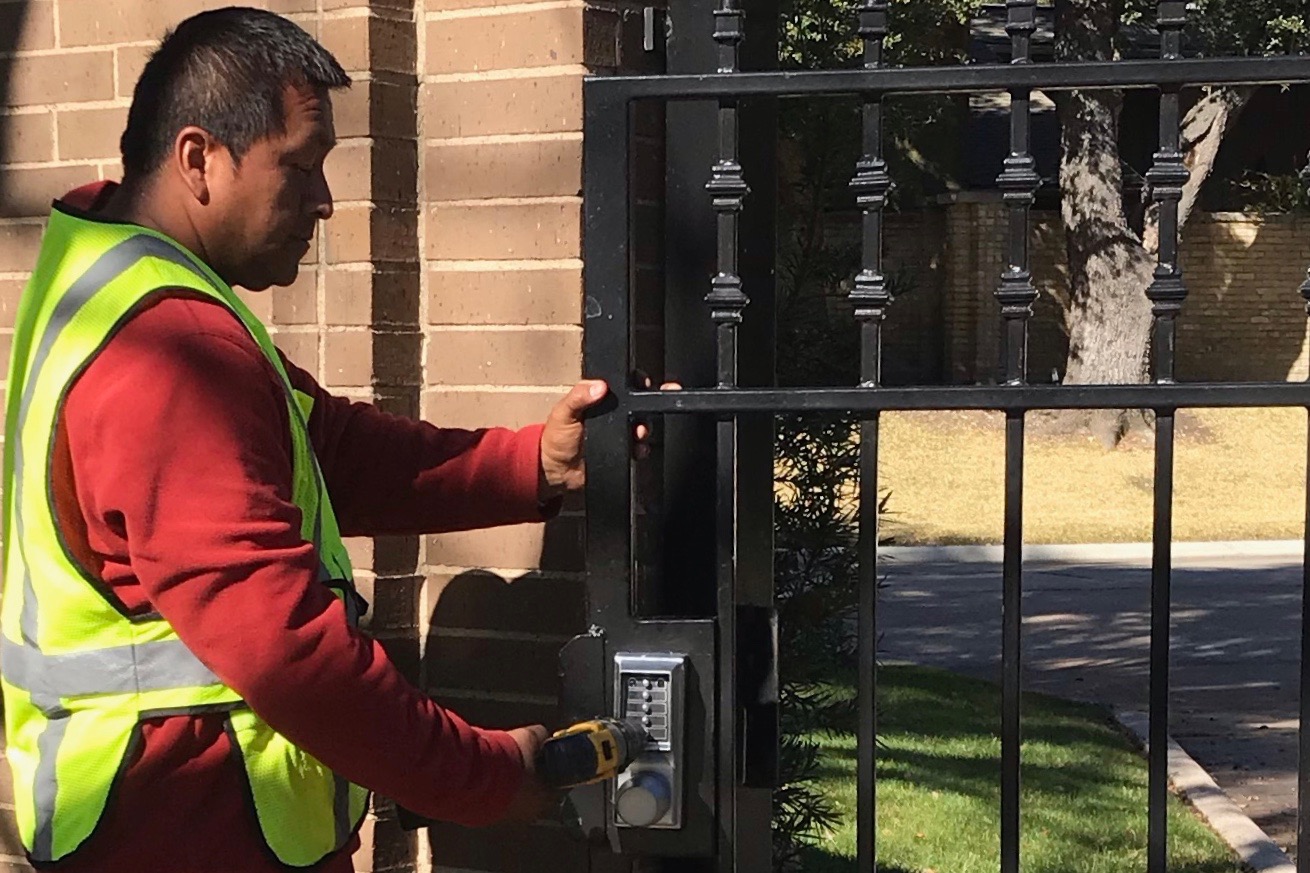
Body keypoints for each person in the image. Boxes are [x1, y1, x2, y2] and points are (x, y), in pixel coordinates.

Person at [0, 7, 631, 872]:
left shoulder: (129, 285)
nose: (326, 201)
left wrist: (532, 462)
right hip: (189, 835)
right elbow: (287, 649)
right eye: (299, 167)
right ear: (198, 159)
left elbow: (330, 450)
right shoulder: (167, 351)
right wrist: (484, 776)